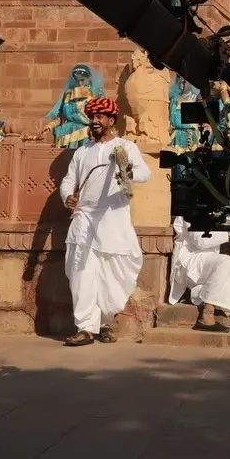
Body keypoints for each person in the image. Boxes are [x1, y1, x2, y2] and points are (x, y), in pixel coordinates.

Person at [59, 97, 151, 346]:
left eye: (100, 116)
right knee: (82, 275)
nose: (95, 120)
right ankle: (86, 327)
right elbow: (69, 180)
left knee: (113, 275)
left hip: (113, 219)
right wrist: (68, 195)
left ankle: (105, 323)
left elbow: (145, 173)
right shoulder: (82, 152)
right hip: (84, 218)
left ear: (112, 120)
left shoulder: (125, 147)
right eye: (92, 116)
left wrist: (126, 170)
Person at [168, 217, 230, 331]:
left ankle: (203, 293)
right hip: (189, 262)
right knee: (224, 261)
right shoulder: (189, 212)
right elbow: (201, 241)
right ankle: (207, 314)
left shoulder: (219, 210)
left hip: (209, 261)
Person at [42, 64, 105, 149]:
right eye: (77, 80)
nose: (80, 83)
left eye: (82, 80)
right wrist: (50, 126)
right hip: (67, 133)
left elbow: (100, 116)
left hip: (85, 134)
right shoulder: (68, 94)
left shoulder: (94, 95)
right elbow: (62, 117)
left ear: (88, 78)